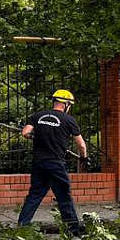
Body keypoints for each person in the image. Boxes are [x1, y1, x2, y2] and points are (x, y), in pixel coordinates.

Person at [17, 89, 88, 232]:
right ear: (66, 104)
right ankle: (73, 230)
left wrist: (35, 138)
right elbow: (81, 144)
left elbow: (25, 133)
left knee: (34, 195)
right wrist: (84, 158)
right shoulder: (69, 120)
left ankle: (21, 227)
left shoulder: (37, 116)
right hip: (56, 164)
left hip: (38, 163)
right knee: (63, 196)